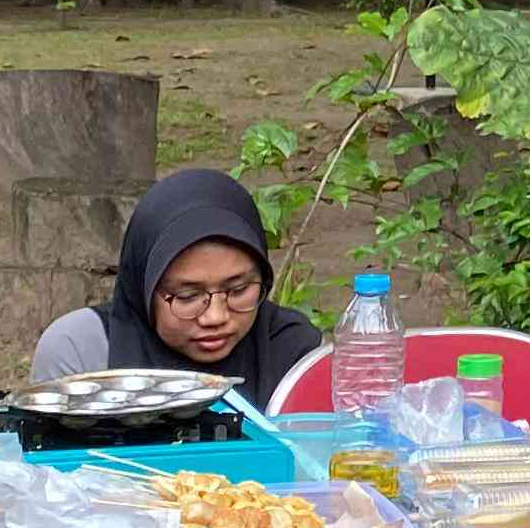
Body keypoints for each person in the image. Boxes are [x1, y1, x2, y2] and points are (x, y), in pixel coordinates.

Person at [27, 169, 327, 397]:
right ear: (143, 288)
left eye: (238, 290)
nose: (215, 317)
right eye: (186, 296)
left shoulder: (295, 353)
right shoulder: (84, 351)